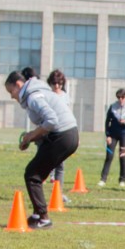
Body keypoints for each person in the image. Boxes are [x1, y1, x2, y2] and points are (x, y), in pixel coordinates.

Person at [5, 67, 79, 229]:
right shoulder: (37, 91)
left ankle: (43, 219)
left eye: (11, 91)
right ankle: (38, 214)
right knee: (37, 173)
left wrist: (32, 135)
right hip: (69, 135)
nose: (11, 96)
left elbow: (52, 120)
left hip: (63, 136)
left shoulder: (33, 96)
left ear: (18, 84)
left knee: (32, 174)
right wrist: (31, 137)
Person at [98, 88, 125, 188]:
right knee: (109, 156)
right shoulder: (113, 107)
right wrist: (108, 135)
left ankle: (122, 180)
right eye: (118, 97)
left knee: (122, 156)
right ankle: (103, 179)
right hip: (112, 135)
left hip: (124, 135)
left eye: (122, 97)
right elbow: (107, 121)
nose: (120, 99)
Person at [46, 69, 73, 199]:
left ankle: (58, 194)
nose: (57, 86)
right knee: (46, 161)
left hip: (63, 131)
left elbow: (69, 113)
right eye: (54, 83)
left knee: (61, 165)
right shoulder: (47, 96)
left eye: (59, 84)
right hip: (50, 131)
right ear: (50, 83)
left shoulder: (65, 96)